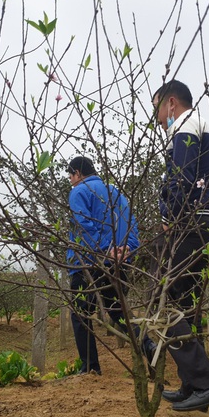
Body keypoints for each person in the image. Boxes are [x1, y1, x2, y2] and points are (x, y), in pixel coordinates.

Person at [151, 80, 209, 412]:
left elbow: (182, 179)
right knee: (185, 304)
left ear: (171, 103)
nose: (158, 119)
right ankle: (193, 387)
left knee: (164, 301)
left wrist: (169, 215)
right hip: (204, 224)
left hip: (187, 223)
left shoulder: (185, 126)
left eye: (158, 109)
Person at [66, 156, 155, 375]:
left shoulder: (79, 191)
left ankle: (90, 368)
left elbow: (83, 225)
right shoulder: (116, 192)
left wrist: (106, 249)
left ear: (77, 173)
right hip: (118, 262)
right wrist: (127, 249)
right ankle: (149, 346)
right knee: (117, 310)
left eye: (70, 175)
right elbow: (130, 223)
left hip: (89, 263)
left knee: (81, 314)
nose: (70, 180)